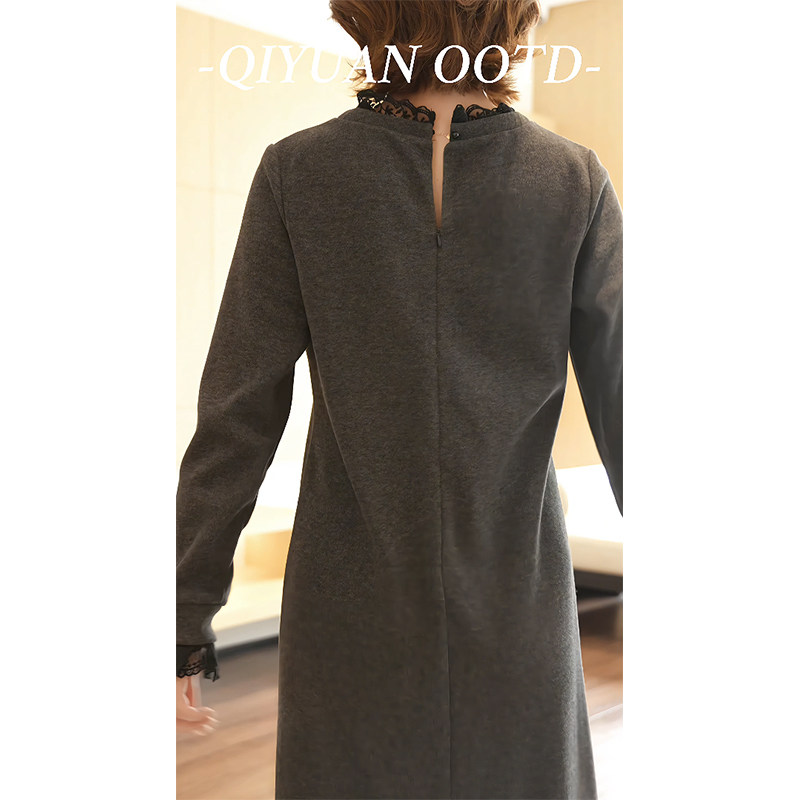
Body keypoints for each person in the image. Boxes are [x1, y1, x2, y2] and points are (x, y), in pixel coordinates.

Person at [177, 1, 622, 797]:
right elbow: (630, 405)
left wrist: (182, 618)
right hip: (516, 603)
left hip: (349, 606)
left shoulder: (299, 172)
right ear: (513, 18)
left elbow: (236, 415)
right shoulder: (572, 179)